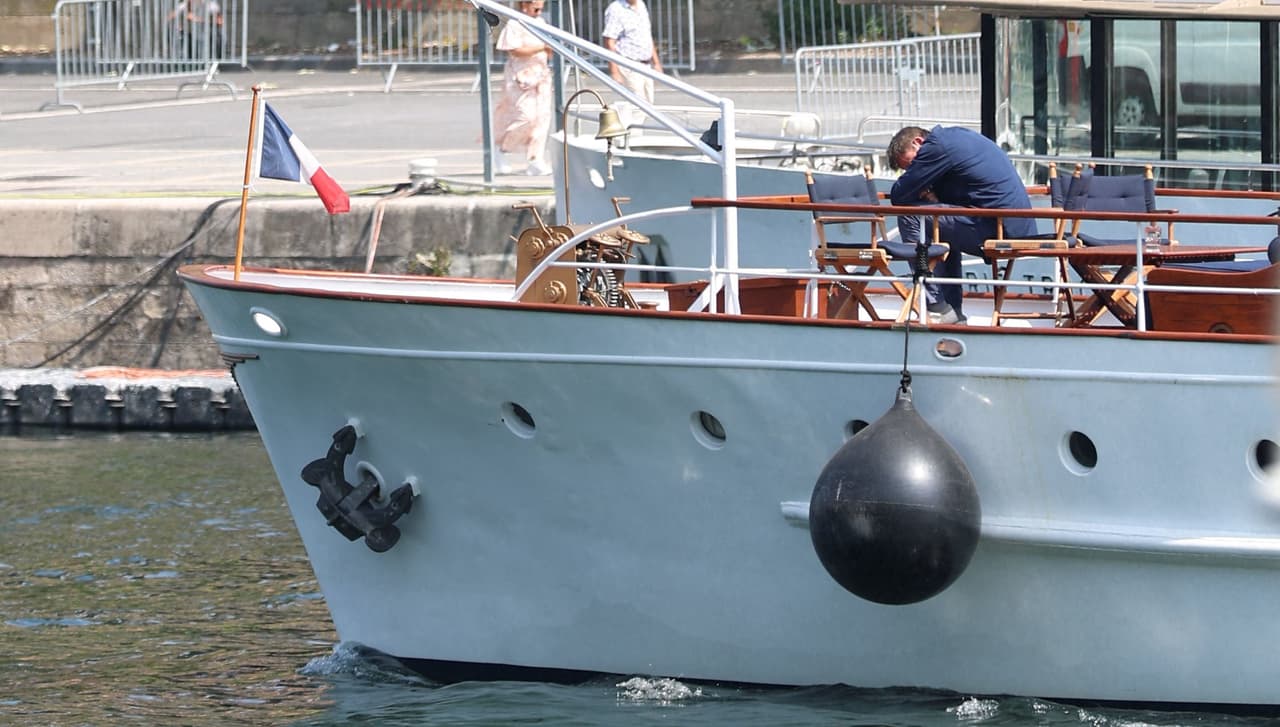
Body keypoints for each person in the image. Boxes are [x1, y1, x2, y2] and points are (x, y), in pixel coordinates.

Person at [887, 125, 1037, 324]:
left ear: (918, 142)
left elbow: (899, 195)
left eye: (912, 165)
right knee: (940, 224)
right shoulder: (955, 137)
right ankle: (952, 312)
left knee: (911, 215)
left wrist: (917, 188)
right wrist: (931, 195)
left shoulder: (937, 146)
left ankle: (936, 305)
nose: (915, 171)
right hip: (1012, 226)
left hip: (1000, 228)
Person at [493, 0, 553, 176]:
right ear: (524, 5)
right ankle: (502, 148)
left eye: (541, 9)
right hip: (521, 76)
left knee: (542, 119)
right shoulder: (515, 23)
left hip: (540, 75)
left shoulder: (541, 23)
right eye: (536, 8)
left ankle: (535, 159)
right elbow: (514, 50)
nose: (539, 12)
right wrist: (541, 47)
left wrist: (549, 49)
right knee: (525, 116)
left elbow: (549, 48)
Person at [602, 0, 662, 104]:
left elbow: (647, 35)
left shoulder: (641, 5)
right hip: (629, 65)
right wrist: (614, 71)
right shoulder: (616, 9)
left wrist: (656, 62)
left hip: (645, 65)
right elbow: (609, 41)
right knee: (637, 104)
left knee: (648, 103)